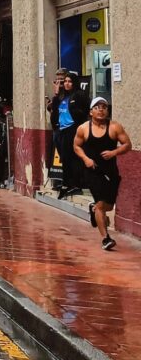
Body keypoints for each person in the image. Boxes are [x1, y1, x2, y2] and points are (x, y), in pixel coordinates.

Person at [74, 97, 132, 251]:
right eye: (97, 107)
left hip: (110, 171)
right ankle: (106, 238)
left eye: (104, 107)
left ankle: (94, 208)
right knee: (101, 205)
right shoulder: (83, 128)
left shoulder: (114, 127)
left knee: (109, 206)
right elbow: (76, 146)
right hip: (92, 171)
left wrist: (114, 152)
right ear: (91, 112)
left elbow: (127, 144)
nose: (101, 110)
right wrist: (86, 159)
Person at [50, 71, 89, 199]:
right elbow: (54, 109)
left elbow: (85, 111)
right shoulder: (63, 97)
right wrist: (56, 94)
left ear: (74, 83)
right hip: (61, 130)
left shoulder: (79, 95)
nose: (67, 84)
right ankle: (66, 183)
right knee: (65, 159)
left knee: (73, 158)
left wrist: (76, 114)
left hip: (73, 130)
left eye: (69, 81)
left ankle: (75, 184)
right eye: (65, 81)